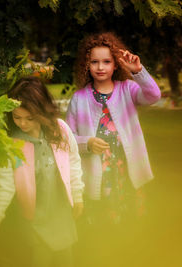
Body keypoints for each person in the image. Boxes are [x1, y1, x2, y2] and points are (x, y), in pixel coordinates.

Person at [66, 32, 161, 226]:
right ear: (87, 64)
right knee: (104, 220)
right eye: (94, 62)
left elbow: (153, 95)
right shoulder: (79, 98)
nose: (100, 67)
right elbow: (68, 138)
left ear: (116, 64)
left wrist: (138, 71)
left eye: (106, 62)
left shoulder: (128, 88)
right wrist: (88, 143)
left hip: (127, 167)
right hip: (97, 170)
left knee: (132, 219)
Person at [0, 76, 84, 267]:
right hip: (34, 218)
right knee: (41, 259)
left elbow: (73, 162)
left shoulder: (61, 131)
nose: (22, 124)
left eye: (29, 118)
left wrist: (78, 195)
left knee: (66, 259)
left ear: (42, 112)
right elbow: (6, 182)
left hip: (61, 212)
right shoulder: (13, 143)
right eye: (17, 117)